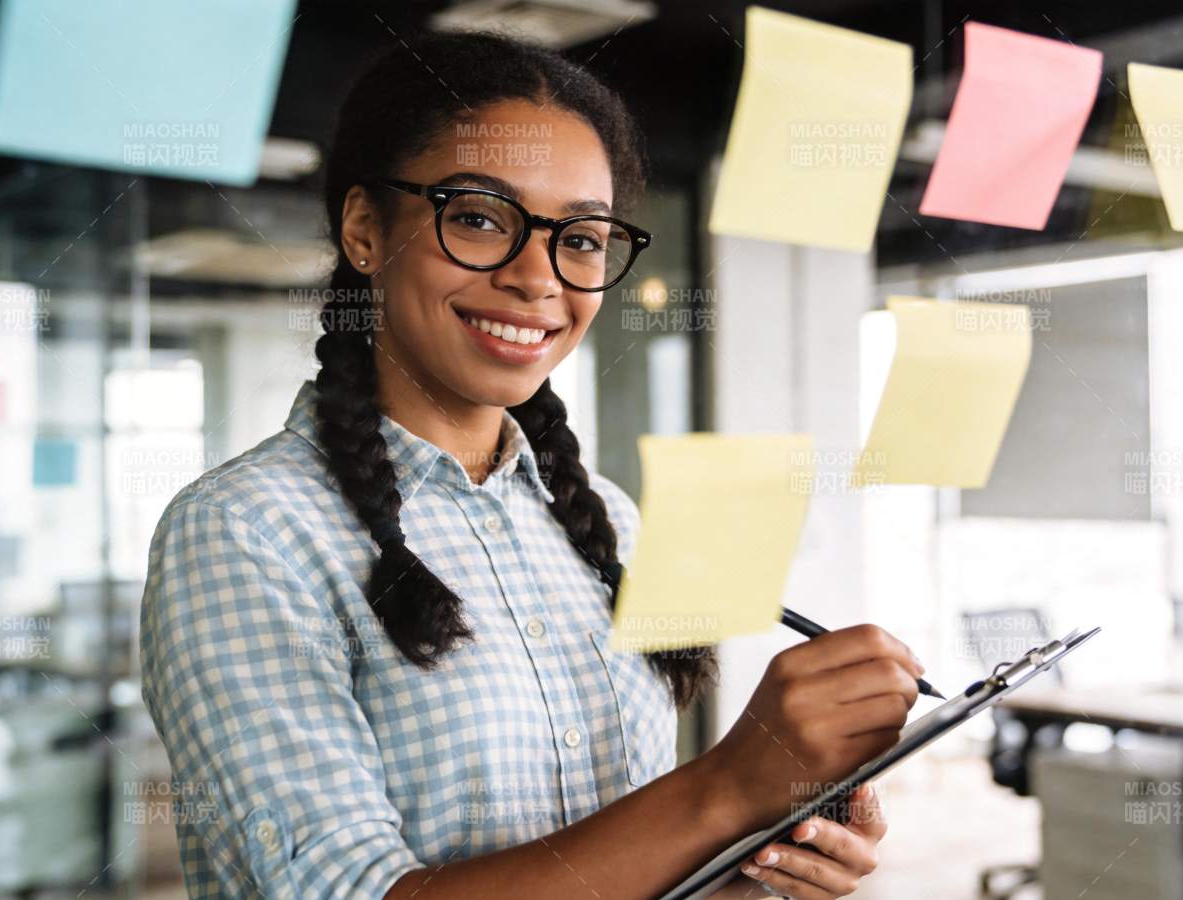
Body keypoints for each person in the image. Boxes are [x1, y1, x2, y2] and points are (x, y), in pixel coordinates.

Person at [140, 29, 925, 899]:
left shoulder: (609, 523)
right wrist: (725, 786)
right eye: (477, 217)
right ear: (365, 229)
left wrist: (760, 866)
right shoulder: (245, 532)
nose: (536, 277)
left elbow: (629, 868)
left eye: (582, 238)